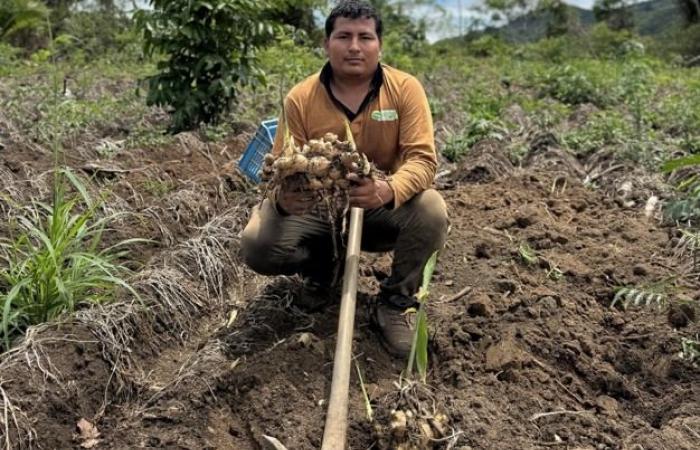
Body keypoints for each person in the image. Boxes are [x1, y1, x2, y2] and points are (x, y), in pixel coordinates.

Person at [240, 0, 448, 357]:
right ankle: (323, 273)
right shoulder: (300, 98)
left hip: (378, 210)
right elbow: (282, 167)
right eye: (344, 36)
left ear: (379, 45)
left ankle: (395, 304)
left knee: (431, 209)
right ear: (327, 44)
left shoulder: (404, 89)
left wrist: (387, 189)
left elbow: (423, 160)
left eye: (365, 37)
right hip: (320, 208)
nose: (354, 46)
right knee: (258, 243)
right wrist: (283, 199)